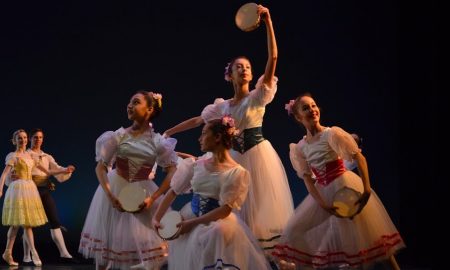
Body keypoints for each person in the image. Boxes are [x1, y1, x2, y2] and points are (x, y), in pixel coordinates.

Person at [163, 4, 294, 252]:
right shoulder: (221, 106)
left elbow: (274, 58)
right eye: (239, 67)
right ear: (230, 75)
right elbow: (197, 121)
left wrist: (268, 22)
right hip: (232, 158)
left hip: (258, 155)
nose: (244, 69)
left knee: (258, 211)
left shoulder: (257, 97)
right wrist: (170, 132)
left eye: (247, 67)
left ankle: (257, 257)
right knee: (232, 209)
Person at [272, 94, 404, 270]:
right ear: (298, 117)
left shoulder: (331, 133)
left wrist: (366, 189)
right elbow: (308, 180)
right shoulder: (299, 148)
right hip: (324, 192)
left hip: (345, 187)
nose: (312, 110)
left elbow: (359, 158)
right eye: (306, 108)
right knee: (295, 230)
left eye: (313, 105)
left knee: (369, 237)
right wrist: (322, 204)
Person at [153, 116, 271, 270]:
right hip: (191, 214)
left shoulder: (237, 173)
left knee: (214, 234)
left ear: (217, 137)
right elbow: (173, 192)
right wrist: (156, 218)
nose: (199, 138)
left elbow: (225, 209)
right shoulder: (196, 165)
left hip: (217, 222)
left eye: (203, 133)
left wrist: (192, 224)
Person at [78, 91, 178, 270]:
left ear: (149, 109)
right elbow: (100, 167)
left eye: (135, 102)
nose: (129, 106)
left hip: (142, 192)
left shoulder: (158, 141)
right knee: (106, 248)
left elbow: (172, 172)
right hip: (114, 188)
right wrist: (110, 195)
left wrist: (153, 198)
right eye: (129, 102)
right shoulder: (118, 136)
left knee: (160, 241)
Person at [18, 128, 77, 264]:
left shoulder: (46, 156)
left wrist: (66, 169)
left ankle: (65, 254)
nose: (38, 140)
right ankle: (26, 256)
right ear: (30, 139)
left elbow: (55, 169)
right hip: (29, 190)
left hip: (44, 190)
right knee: (28, 224)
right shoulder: (25, 155)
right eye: (35, 137)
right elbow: (17, 168)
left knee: (54, 221)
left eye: (40, 137)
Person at [0, 129, 48, 266]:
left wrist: (64, 171)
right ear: (15, 141)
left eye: (25, 138)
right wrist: (0, 189)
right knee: (23, 224)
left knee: (18, 225)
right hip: (17, 190)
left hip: (29, 189)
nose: (23, 140)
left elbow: (47, 171)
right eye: (20, 138)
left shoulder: (30, 156)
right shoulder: (13, 156)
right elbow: (4, 175)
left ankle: (7, 253)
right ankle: (34, 252)